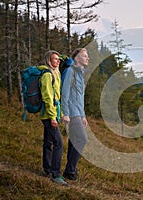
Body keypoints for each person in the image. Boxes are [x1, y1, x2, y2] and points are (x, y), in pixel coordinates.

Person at [39, 50, 68, 186]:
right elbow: (47, 97)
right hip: (48, 115)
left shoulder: (57, 72)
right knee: (58, 143)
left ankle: (47, 169)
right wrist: (52, 117)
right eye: (55, 59)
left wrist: (60, 114)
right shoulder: (46, 75)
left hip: (54, 113)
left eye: (58, 59)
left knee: (48, 142)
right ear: (48, 61)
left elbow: (57, 97)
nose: (58, 61)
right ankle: (56, 175)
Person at [61, 48, 89, 180]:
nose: (87, 58)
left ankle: (71, 169)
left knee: (74, 141)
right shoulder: (70, 71)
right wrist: (65, 113)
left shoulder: (79, 74)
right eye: (84, 56)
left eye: (87, 56)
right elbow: (64, 93)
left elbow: (80, 97)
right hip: (71, 112)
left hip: (78, 112)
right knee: (82, 139)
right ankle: (70, 170)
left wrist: (83, 115)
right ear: (76, 58)